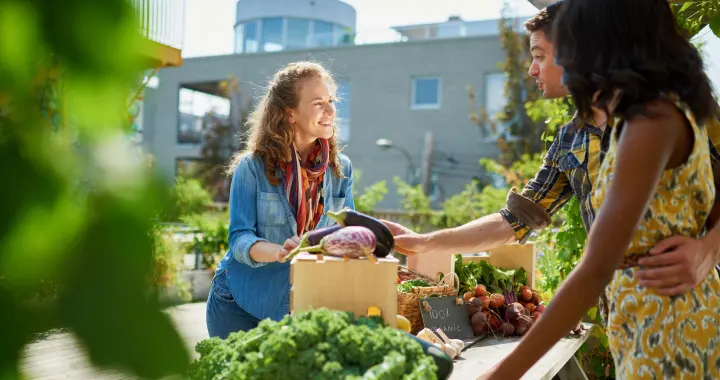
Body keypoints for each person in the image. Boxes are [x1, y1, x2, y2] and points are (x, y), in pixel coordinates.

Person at [382, 0, 720, 297]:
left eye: (539, 55)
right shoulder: (570, 138)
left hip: (688, 307)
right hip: (621, 311)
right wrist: (425, 242)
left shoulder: (674, 113)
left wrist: (708, 249)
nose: (531, 70)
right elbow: (516, 220)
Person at [480, 0, 720, 378]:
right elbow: (519, 218)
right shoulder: (637, 116)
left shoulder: (650, 121)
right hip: (648, 321)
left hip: (670, 328)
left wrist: (501, 374)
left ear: (606, 41)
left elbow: (595, 269)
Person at [205, 61, 355, 339]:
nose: (331, 111)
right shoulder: (252, 168)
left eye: (331, 101)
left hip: (303, 305)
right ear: (290, 114)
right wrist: (278, 251)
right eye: (318, 103)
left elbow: (348, 231)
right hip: (240, 304)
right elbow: (239, 238)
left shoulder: (340, 169)